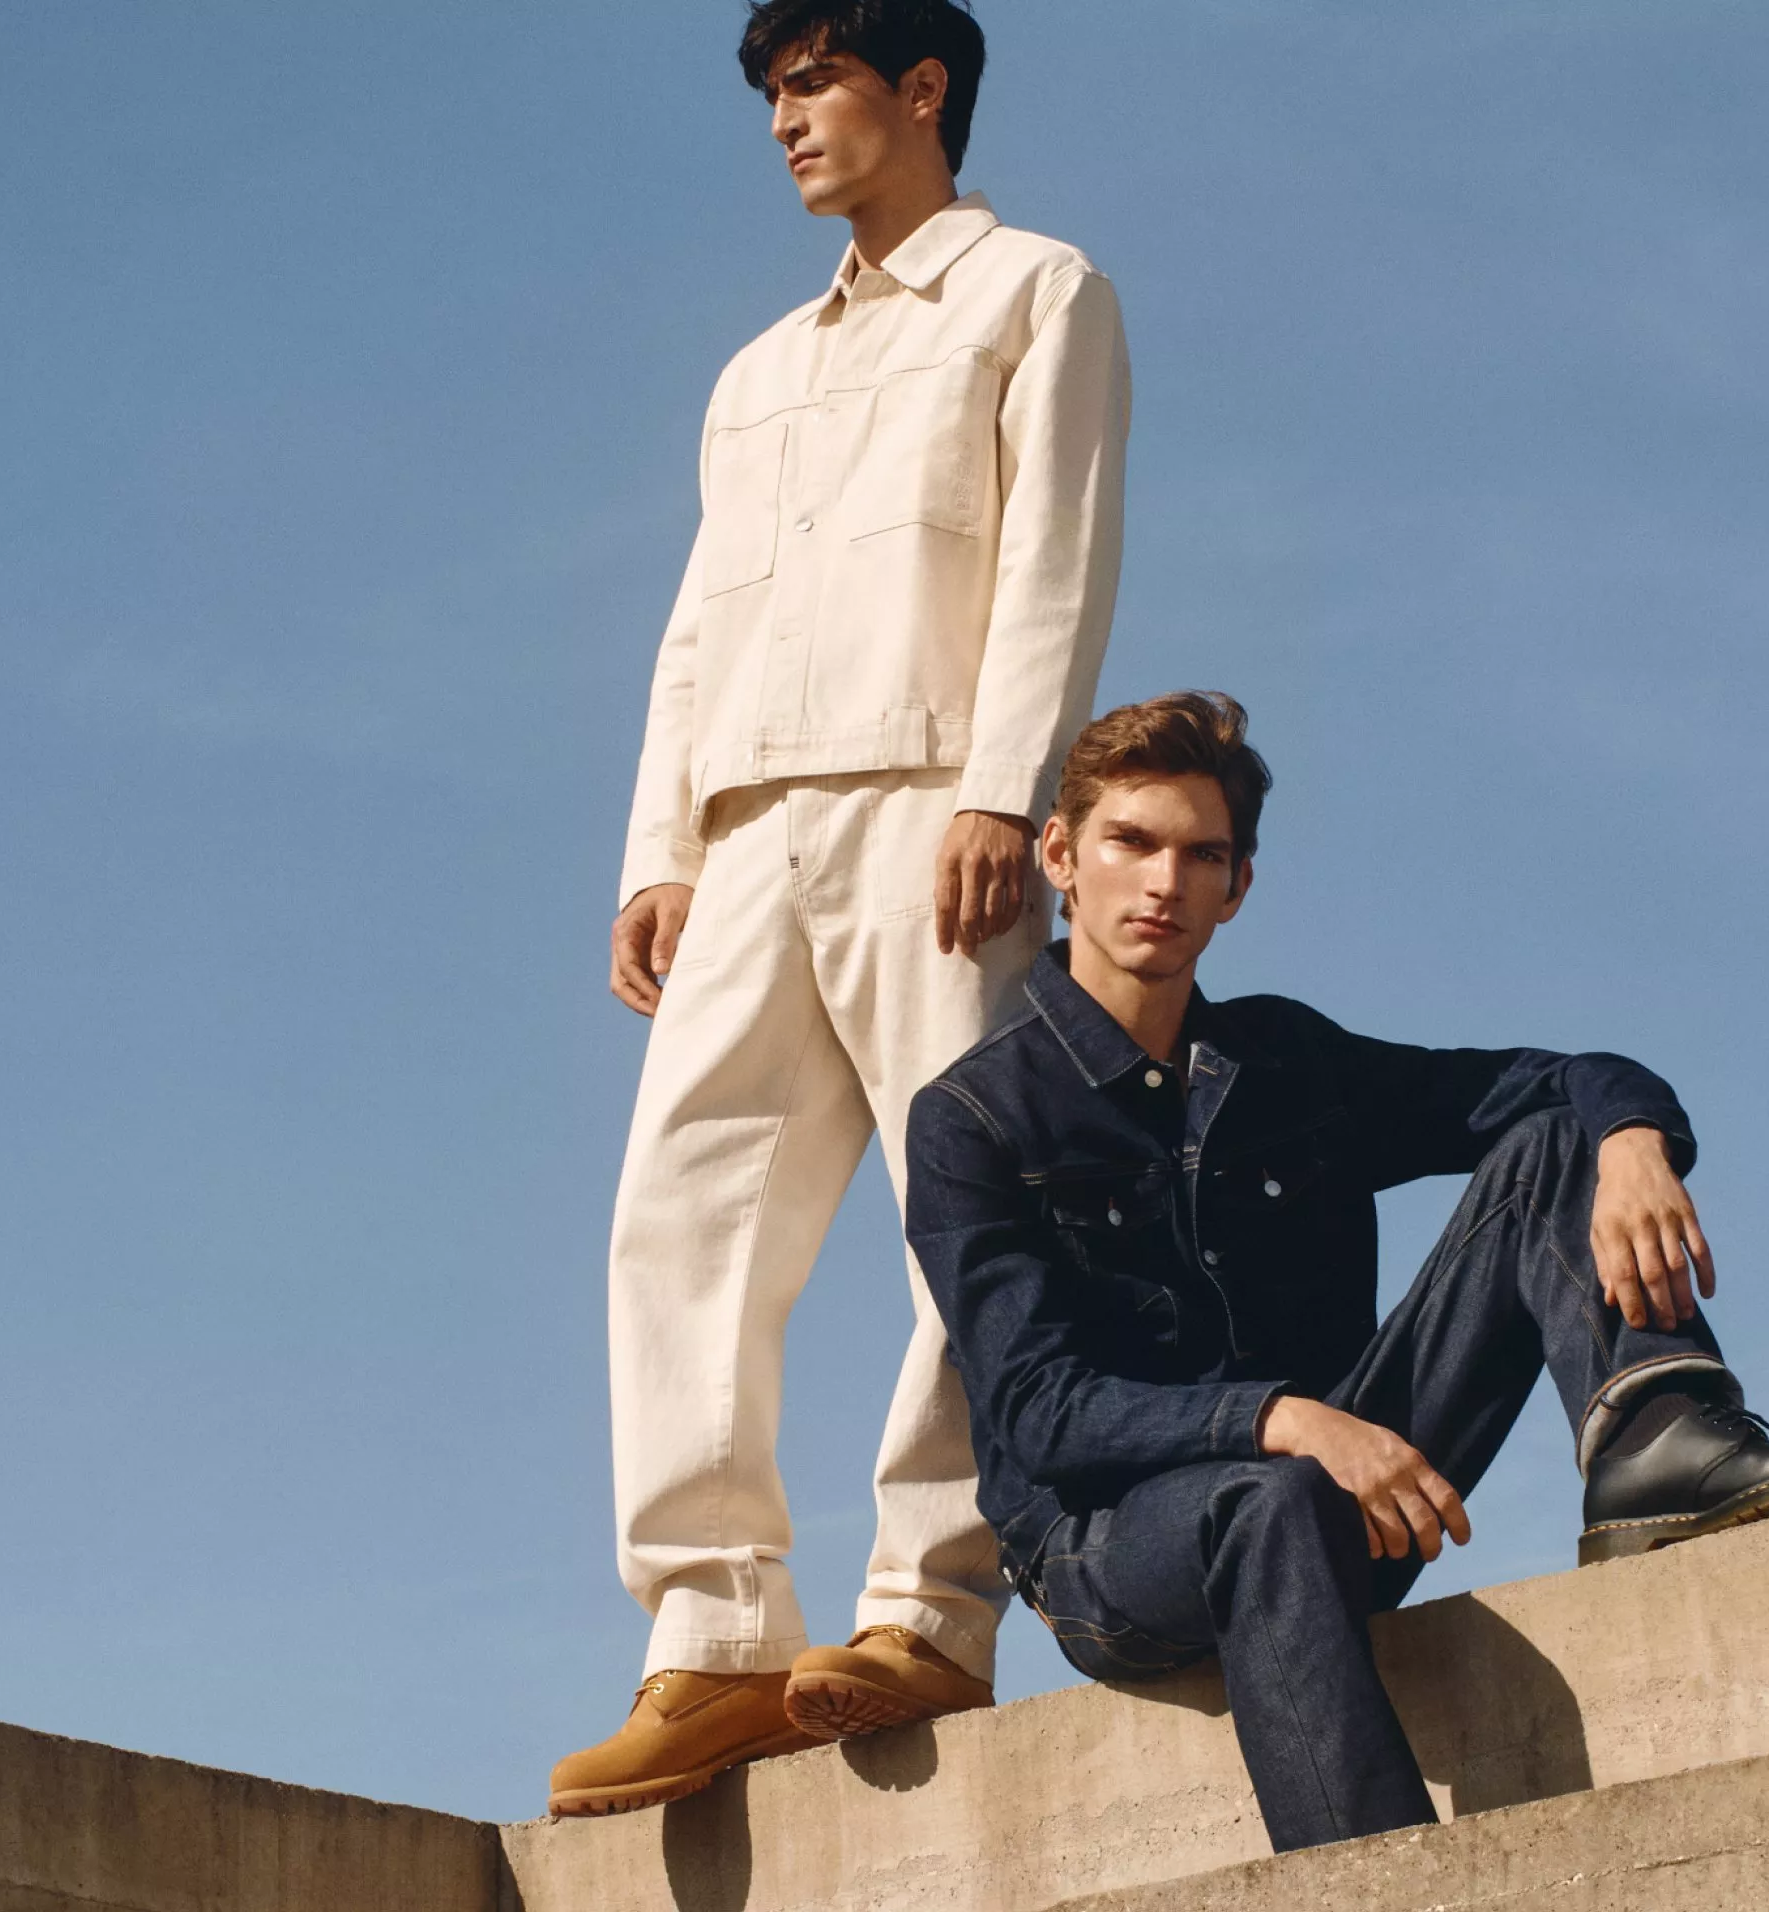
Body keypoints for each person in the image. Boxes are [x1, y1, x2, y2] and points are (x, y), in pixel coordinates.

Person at [904, 692, 1769, 1854]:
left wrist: (1631, 1142)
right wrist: (1283, 1421)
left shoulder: (1282, 1058)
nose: (1162, 882)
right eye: (1132, 843)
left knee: (1554, 1133)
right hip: (1110, 1551)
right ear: (1062, 856)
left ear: (1237, 886)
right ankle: (1376, 1877)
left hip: (1356, 1489)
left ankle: (1654, 1437)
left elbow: (1557, 1078)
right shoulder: (973, 1118)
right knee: (1264, 1499)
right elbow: (1039, 1413)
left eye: (1199, 854)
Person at [547, 0, 1132, 1818]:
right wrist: (662, 843)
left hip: (924, 796)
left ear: (922, 87)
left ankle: (930, 1604)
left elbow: (1056, 556)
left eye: (813, 82)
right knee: (678, 1213)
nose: (786, 122)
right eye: (773, 94)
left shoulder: (1035, 290)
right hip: (748, 830)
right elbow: (701, 619)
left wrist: (1002, 784)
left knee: (960, 1204)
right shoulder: (752, 373)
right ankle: (711, 1633)